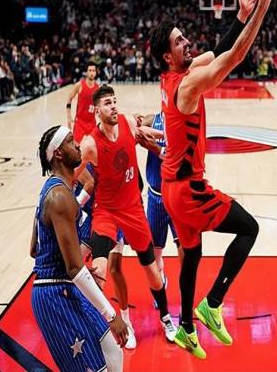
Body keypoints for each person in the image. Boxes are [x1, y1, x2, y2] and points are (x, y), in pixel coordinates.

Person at [147, 0, 277, 358]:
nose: (187, 42)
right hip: (189, 190)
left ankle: (186, 328)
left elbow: (217, 51)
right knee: (249, 228)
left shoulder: (173, 76)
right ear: (167, 56)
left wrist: (241, 15)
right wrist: (264, 6)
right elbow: (233, 57)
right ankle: (212, 304)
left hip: (172, 188)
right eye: (179, 41)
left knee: (192, 255)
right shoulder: (187, 85)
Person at [76, 84, 177, 342]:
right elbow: (71, 173)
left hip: (133, 210)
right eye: (107, 103)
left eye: (114, 101)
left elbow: (142, 133)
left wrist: (164, 139)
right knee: (99, 272)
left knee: (152, 273)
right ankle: (102, 326)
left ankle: (166, 318)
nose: (113, 106)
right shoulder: (90, 144)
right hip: (106, 213)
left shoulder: (128, 122)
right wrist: (61, 196)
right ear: (96, 111)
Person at [31, 125, 126, 371]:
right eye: (71, 142)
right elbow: (74, 268)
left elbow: (34, 249)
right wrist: (111, 315)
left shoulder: (53, 189)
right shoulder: (60, 197)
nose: (77, 145)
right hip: (54, 296)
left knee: (113, 351)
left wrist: (68, 264)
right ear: (58, 154)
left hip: (65, 286)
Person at [74, 164, 138, 349]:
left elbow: (134, 183)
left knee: (114, 270)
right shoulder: (74, 162)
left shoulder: (105, 156)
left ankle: (126, 321)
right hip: (91, 219)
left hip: (113, 214)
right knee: (80, 272)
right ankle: (86, 323)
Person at [140, 112, 184, 299]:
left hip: (177, 196)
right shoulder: (153, 120)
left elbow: (176, 158)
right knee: (156, 252)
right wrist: (139, 129)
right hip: (156, 197)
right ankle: (161, 287)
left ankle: (185, 293)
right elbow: (135, 130)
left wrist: (156, 148)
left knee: (184, 248)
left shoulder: (184, 123)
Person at [66, 61, 100, 144]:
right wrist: (69, 117)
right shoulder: (79, 85)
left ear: (96, 72)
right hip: (80, 122)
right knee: (75, 147)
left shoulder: (98, 88)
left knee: (94, 146)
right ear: (86, 72)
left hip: (92, 123)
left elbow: (99, 105)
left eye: (93, 71)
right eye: (90, 70)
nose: (91, 73)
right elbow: (69, 99)